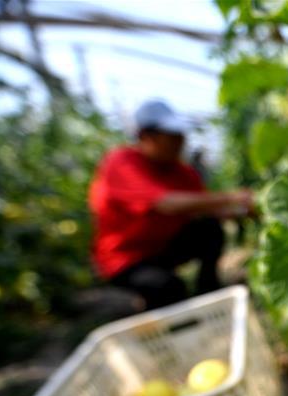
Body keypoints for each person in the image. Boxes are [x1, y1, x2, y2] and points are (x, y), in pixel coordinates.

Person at [89, 99, 252, 310]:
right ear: (146, 136)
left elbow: (209, 208)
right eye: (172, 136)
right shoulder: (122, 162)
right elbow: (166, 203)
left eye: (180, 135)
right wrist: (234, 197)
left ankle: (209, 293)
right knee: (168, 287)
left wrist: (248, 209)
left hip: (162, 248)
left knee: (209, 229)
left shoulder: (181, 172)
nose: (180, 141)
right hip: (125, 261)